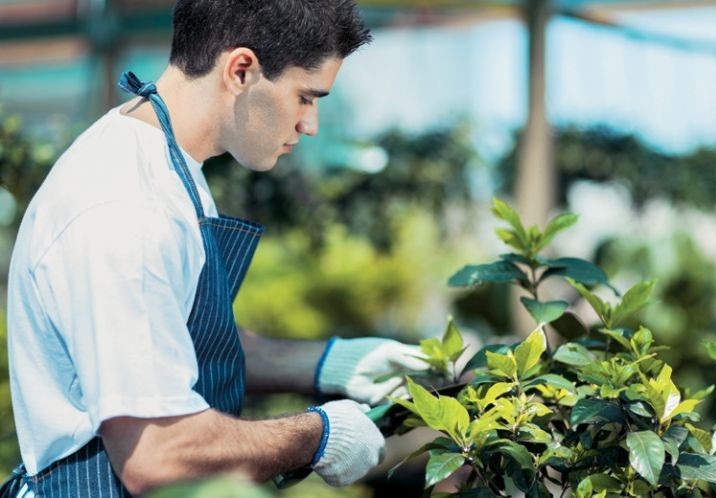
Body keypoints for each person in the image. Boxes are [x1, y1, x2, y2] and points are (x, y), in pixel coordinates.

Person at [1, 1, 430, 496]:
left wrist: (332, 361)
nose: (310, 124)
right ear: (241, 70)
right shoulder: (125, 210)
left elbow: (173, 337)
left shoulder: (162, 162)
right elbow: (156, 454)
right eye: (306, 97)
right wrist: (317, 436)